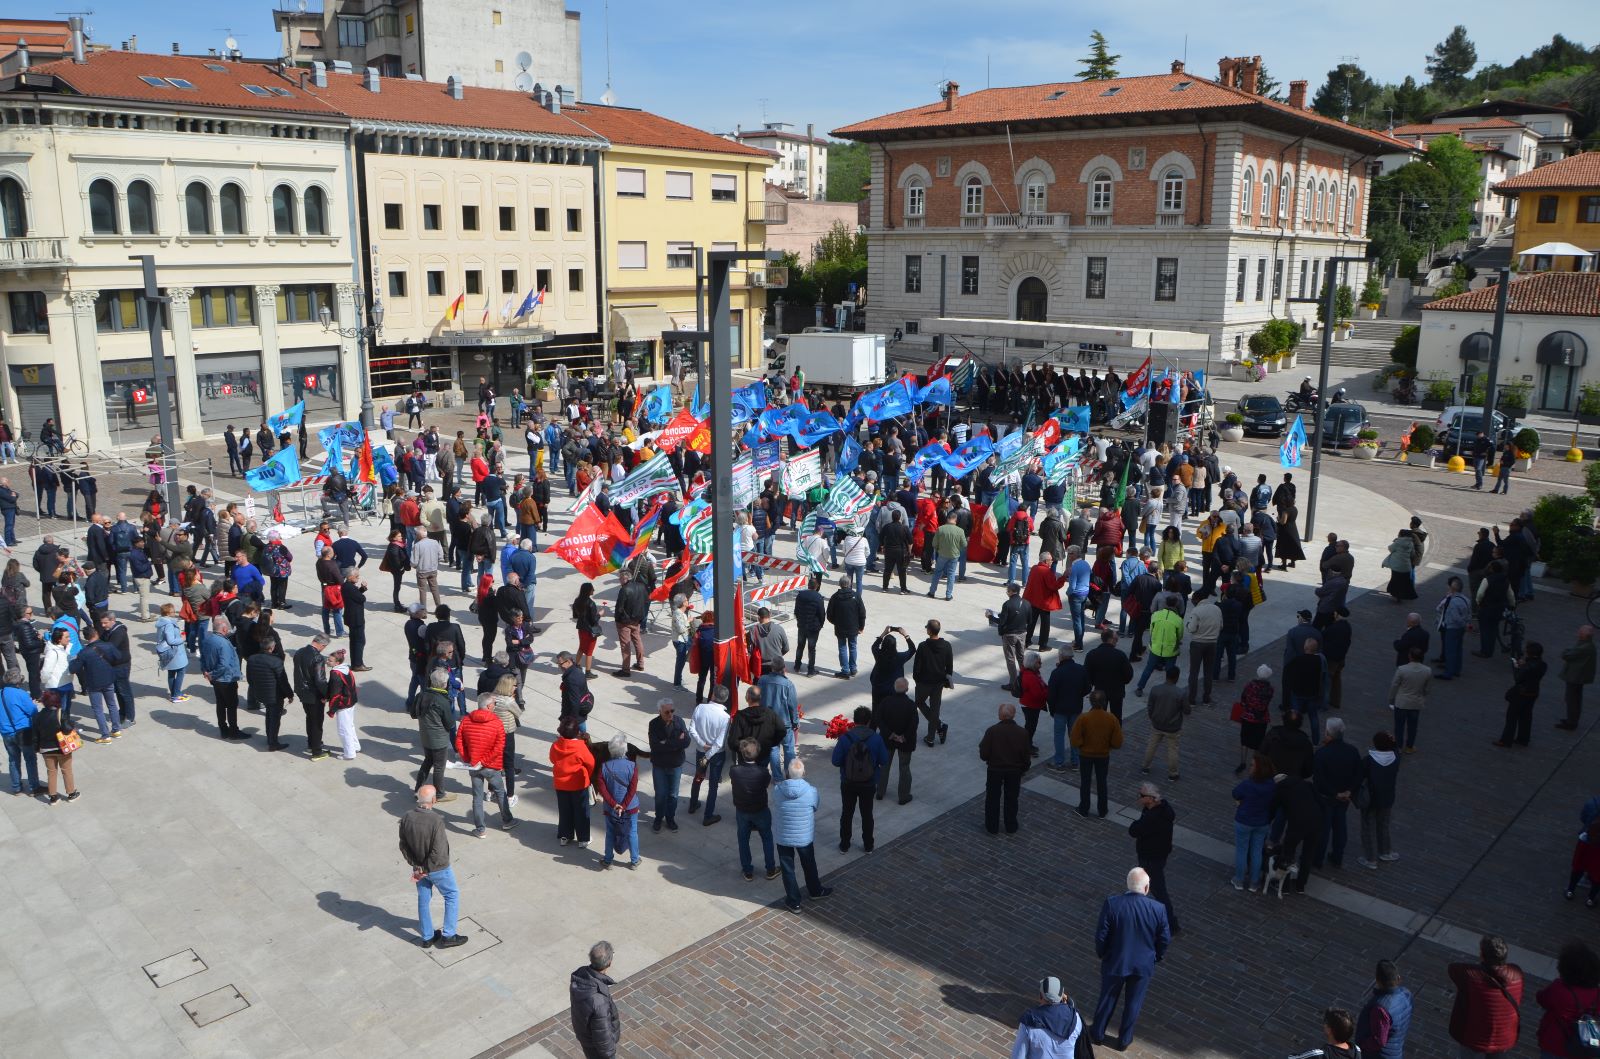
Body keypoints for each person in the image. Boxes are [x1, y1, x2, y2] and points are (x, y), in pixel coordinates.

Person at [1090, 866, 1171, 1050]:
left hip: (1116, 960)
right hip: (1142, 965)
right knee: (1133, 1003)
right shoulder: (1158, 909)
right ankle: (1124, 1040)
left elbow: (1102, 935)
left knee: (1107, 998)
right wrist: (1156, 956)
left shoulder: (1113, 904)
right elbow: (1164, 939)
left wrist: (1102, 953)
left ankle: (1098, 1033)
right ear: (1146, 888)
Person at [398, 786, 467, 948]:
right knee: (451, 895)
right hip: (437, 869)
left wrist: (417, 866)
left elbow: (403, 845)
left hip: (419, 868)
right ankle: (449, 935)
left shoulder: (407, 817)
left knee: (423, 899)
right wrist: (427, 868)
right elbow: (439, 851)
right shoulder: (436, 820)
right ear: (434, 800)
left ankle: (427, 936)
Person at [771, 758, 832, 913]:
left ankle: (794, 901)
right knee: (809, 863)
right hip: (804, 835)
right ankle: (815, 891)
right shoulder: (811, 791)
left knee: (787, 868)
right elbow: (815, 807)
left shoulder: (778, 790)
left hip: (783, 835)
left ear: (787, 774)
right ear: (803, 773)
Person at [832, 705, 887, 853]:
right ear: (869, 721)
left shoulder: (845, 738)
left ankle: (844, 845)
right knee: (867, 814)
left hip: (848, 782)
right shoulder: (876, 738)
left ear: (854, 721)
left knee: (847, 813)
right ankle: (868, 845)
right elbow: (884, 760)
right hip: (868, 783)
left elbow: (836, 761)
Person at [456, 698, 513, 839]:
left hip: (473, 766)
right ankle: (507, 821)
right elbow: (499, 746)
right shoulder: (496, 723)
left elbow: (459, 741)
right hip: (491, 766)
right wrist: (484, 761)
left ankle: (480, 829)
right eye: (494, 703)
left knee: (477, 797)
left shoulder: (466, 720)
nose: (495, 705)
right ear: (488, 706)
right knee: (500, 792)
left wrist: (468, 759)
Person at [1128, 782, 1179, 933]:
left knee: (1158, 890)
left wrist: (1137, 824)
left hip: (1151, 857)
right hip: (1158, 855)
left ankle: (1171, 923)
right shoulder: (1162, 809)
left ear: (1150, 799)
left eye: (1142, 796)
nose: (1139, 797)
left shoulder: (1152, 817)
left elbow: (1134, 830)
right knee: (1152, 887)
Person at [1535, 941, 1600, 1058]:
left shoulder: (1559, 989)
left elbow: (1541, 998)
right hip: (1585, 1047)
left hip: (1555, 1044)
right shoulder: (1597, 993)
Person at [729, 737, 779, 882]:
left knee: (743, 840)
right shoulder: (762, 772)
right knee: (767, 837)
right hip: (760, 810)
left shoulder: (735, 771)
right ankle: (770, 869)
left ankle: (747, 871)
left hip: (742, 811)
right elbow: (765, 785)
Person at [977, 702, 1030, 836]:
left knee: (992, 798)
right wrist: (1023, 768)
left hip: (995, 770)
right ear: (1013, 715)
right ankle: (1011, 825)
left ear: (1000, 716)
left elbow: (984, 754)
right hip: (1014, 771)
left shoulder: (992, 731)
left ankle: (992, 826)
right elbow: (1026, 755)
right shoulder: (1022, 732)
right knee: (1012, 798)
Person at [1071, 690, 1124, 818]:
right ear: (1105, 702)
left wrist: (1083, 746)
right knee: (1102, 782)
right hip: (1103, 755)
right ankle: (1102, 810)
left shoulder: (1083, 718)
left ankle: (1084, 809)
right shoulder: (1111, 719)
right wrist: (1107, 746)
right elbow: (1118, 742)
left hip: (1086, 755)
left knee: (1085, 782)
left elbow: (1074, 740)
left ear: (1090, 702)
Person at [595, 732, 641, 870]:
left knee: (610, 832)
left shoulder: (604, 767)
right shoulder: (632, 766)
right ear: (625, 749)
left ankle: (608, 860)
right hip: (630, 807)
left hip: (611, 809)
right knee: (632, 832)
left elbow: (602, 789)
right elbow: (632, 789)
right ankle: (634, 860)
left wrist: (615, 805)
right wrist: (624, 806)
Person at [1009, 976, 1084, 1059]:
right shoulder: (1075, 1019)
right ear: (1062, 995)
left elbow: (1018, 1056)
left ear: (1040, 996)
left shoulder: (1029, 1023)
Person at [569, 941, 621, 1059]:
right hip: (597, 1047)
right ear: (609, 963)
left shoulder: (580, 976)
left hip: (585, 1037)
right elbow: (602, 1034)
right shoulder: (599, 1000)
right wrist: (610, 1054)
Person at [1231, 753, 1275, 892]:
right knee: (1257, 852)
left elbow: (1235, 793)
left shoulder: (1248, 784)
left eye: (1252, 765)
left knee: (1242, 851)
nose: (1250, 767)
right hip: (1262, 823)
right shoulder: (1272, 786)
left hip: (1244, 821)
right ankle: (1254, 883)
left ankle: (1239, 880)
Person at [1357, 731, 1400, 870]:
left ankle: (1370, 858)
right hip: (1387, 798)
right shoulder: (1395, 758)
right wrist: (1393, 742)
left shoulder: (1369, 760)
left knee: (1368, 828)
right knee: (1383, 825)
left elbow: (1359, 776)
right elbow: (1396, 749)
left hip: (1371, 799)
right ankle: (1385, 851)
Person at [688, 685, 730, 826]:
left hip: (701, 751)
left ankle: (693, 804)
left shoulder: (700, 708)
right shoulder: (725, 717)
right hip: (716, 755)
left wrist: (702, 744)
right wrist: (709, 754)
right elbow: (719, 743)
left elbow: (691, 729)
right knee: (713, 785)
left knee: (698, 777)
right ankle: (708, 815)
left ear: (712, 695)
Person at [549, 718, 595, 847]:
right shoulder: (581, 747)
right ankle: (583, 839)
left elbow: (552, 759)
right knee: (581, 811)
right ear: (576, 732)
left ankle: (565, 835)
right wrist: (587, 776)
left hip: (561, 784)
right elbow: (591, 763)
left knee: (565, 810)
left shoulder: (556, 745)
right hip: (579, 784)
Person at [647, 698, 690, 833]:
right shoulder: (654, 724)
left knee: (673, 794)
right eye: (667, 712)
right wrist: (676, 743)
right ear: (660, 711)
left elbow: (687, 742)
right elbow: (655, 746)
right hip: (660, 765)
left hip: (675, 765)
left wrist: (666, 743)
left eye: (672, 711)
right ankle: (659, 818)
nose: (670, 714)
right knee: (660, 794)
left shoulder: (679, 722)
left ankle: (670, 818)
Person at [872, 677, 918, 804]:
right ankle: (903, 796)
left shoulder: (886, 702)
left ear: (894, 688)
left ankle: (880, 792)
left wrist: (891, 734)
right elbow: (913, 724)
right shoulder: (910, 705)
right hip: (905, 742)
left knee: (884, 765)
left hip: (888, 740)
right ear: (907, 689)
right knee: (904, 767)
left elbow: (878, 719)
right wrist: (903, 737)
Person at [1356, 959, 1413, 1059]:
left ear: (1378, 981)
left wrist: (1362, 1045)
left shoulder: (1380, 1008)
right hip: (1395, 1052)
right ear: (1398, 978)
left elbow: (1379, 1040)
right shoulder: (1406, 994)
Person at [1494, 642, 1548, 749]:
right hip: (1533, 692)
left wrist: (1518, 667)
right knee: (1526, 716)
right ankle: (1523, 739)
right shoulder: (1543, 665)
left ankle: (1506, 740)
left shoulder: (1527, 666)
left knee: (1512, 717)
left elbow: (1518, 678)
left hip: (1521, 693)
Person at [0, 669, 44, 797]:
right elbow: (32, 712)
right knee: (30, 759)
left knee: (13, 760)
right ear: (18, 681)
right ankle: (34, 787)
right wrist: (34, 704)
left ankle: (16, 787)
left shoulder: (1, 693)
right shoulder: (21, 694)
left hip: (6, 732)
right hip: (23, 731)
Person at [1141, 665, 1188, 781]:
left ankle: (1145, 767)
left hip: (1157, 724)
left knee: (1152, 745)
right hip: (1173, 727)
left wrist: (1153, 718)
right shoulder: (1180, 693)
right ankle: (1173, 773)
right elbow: (1187, 710)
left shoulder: (1155, 689)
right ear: (1177, 677)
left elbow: (1150, 706)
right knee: (1172, 749)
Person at [30, 690, 78, 803]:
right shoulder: (61, 713)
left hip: (46, 749)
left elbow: (35, 735)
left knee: (51, 771)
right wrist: (72, 724)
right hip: (62, 749)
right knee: (66, 770)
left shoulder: (38, 716)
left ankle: (53, 797)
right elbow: (66, 730)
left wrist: (36, 748)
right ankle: (71, 793)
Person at [913, 619, 954, 747]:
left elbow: (917, 666)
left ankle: (939, 726)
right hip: (938, 683)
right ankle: (931, 737)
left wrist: (917, 679)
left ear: (929, 631)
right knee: (935, 709)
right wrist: (947, 679)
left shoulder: (923, 646)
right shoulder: (947, 645)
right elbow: (949, 665)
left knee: (919, 702)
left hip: (924, 683)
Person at [292, 634, 331, 761]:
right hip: (314, 695)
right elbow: (320, 681)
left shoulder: (299, 652)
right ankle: (317, 751)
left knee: (310, 718)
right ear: (322, 645)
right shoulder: (317, 658)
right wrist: (327, 695)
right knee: (317, 722)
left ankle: (311, 744)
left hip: (302, 692)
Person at [1388, 647, 1431, 754]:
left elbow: (1394, 685)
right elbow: (1427, 689)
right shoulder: (1427, 671)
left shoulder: (1402, 669)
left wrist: (1391, 698)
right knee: (1413, 726)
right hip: (1416, 702)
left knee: (1399, 725)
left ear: (1410, 656)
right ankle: (1409, 746)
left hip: (1401, 702)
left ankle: (1398, 746)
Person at [827, 575, 867, 678]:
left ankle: (845, 670)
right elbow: (862, 613)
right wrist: (861, 627)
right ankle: (853, 669)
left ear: (839, 584)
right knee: (853, 647)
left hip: (840, 628)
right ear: (849, 584)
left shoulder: (835, 597)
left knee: (842, 648)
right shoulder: (856, 596)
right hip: (853, 627)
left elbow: (829, 615)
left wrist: (836, 622)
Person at [1557, 626, 1596, 731]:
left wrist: (1566, 651)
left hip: (1575, 677)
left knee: (1572, 699)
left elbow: (1567, 654)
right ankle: (1572, 720)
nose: (1578, 633)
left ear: (1584, 635)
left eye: (1580, 632)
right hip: (1579, 676)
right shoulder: (1587, 644)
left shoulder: (1584, 647)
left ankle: (1571, 722)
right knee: (1575, 699)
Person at [325, 648, 359, 760]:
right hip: (351, 701)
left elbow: (335, 695)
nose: (327, 661)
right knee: (350, 725)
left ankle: (349, 753)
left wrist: (331, 710)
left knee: (343, 729)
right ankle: (355, 746)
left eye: (330, 660)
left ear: (337, 663)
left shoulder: (335, 674)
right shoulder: (347, 669)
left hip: (343, 705)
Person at [1381, 529, 1418, 602]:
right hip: (1406, 567)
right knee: (1404, 582)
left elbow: (1390, 548)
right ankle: (1401, 596)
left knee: (1395, 581)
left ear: (1401, 535)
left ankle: (1396, 596)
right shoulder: (1411, 543)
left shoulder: (1398, 542)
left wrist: (1395, 541)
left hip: (1397, 566)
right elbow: (1413, 554)